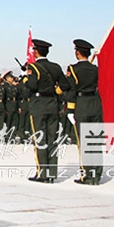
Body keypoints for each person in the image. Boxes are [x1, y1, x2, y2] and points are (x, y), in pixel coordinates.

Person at [22, 38, 69, 183]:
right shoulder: (56, 67)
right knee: (52, 139)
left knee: (40, 139)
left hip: (39, 104)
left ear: (35, 52)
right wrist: (55, 91)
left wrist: (25, 79)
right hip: (52, 104)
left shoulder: (34, 67)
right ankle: (51, 173)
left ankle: (42, 173)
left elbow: (32, 86)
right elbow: (65, 85)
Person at [65, 39, 101, 185]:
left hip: (82, 106)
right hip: (96, 105)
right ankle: (96, 175)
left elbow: (71, 89)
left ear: (77, 52)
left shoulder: (73, 69)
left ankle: (86, 175)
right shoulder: (96, 69)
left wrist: (70, 109)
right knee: (96, 142)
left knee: (84, 143)